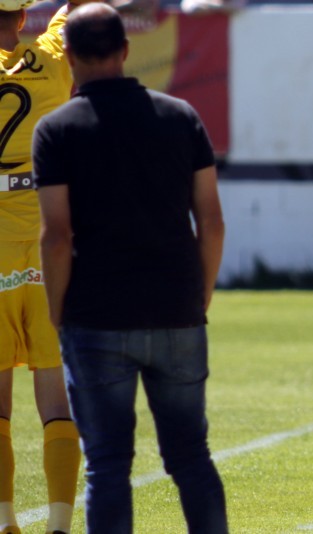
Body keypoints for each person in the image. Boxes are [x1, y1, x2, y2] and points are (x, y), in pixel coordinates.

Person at [34, 3, 228, 532]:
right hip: (176, 307)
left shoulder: (56, 130)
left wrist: (58, 310)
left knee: (108, 465)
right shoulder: (181, 116)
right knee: (191, 457)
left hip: (96, 315)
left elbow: (56, 235)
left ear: (67, 55)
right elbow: (211, 221)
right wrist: (201, 293)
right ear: (125, 49)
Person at [0, 0, 94, 531]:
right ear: (21, 18)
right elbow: (78, 7)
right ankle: (59, 524)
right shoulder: (53, 58)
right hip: (43, 241)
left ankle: (4, 522)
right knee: (56, 394)